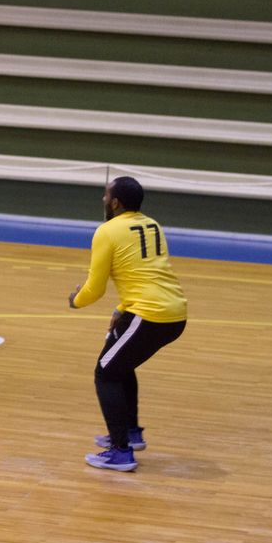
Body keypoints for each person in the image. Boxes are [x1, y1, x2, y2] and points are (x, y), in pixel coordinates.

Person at [68, 177, 187, 472]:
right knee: (120, 366)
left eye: (106, 195)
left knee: (105, 373)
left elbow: (95, 288)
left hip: (149, 314)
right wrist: (121, 309)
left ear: (115, 202)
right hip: (173, 312)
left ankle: (121, 452)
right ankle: (130, 434)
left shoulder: (107, 231)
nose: (103, 199)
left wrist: (75, 301)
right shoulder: (152, 225)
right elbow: (148, 274)